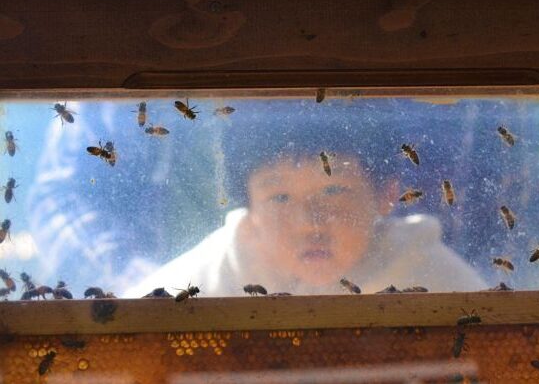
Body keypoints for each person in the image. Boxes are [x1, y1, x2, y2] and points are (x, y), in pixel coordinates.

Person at [125, 99, 487, 297]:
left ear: (387, 194)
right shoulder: (210, 275)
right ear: (248, 210)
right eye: (279, 197)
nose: (308, 223)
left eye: (333, 190)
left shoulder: (424, 272)